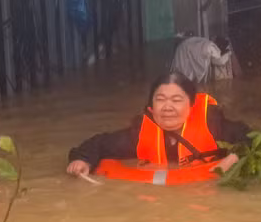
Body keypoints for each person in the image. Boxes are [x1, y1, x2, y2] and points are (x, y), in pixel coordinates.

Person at [66, 72, 248, 176]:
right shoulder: (139, 135)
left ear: (192, 106)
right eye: (160, 99)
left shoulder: (214, 126)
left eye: (177, 100)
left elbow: (253, 141)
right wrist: (82, 160)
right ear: (151, 107)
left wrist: (233, 159)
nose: (167, 107)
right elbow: (100, 144)